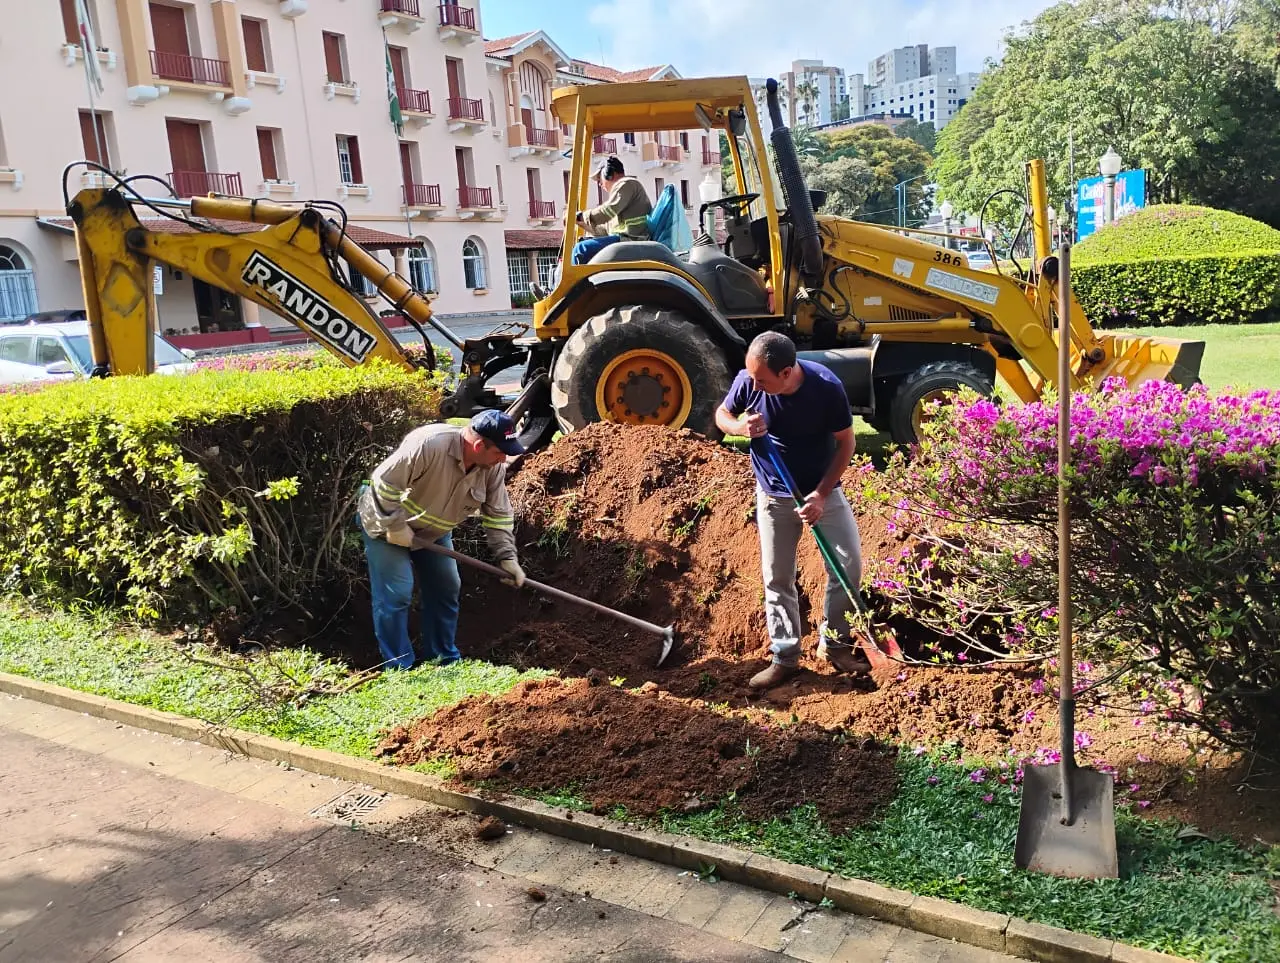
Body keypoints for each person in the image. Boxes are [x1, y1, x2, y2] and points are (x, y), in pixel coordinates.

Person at [715, 331, 871, 690]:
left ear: (786, 372)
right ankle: (785, 657)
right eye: (750, 376)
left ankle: (834, 645)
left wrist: (819, 495)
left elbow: (847, 443)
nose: (752, 384)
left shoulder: (825, 388)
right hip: (773, 494)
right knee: (778, 576)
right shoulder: (750, 382)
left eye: (762, 379)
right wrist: (739, 427)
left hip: (822, 491)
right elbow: (723, 414)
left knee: (848, 566)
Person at [355, 410, 527, 670]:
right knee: (398, 592)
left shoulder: (491, 468)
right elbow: (384, 484)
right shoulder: (429, 445)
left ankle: (443, 657)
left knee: (447, 586)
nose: (504, 458)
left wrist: (507, 558)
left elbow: (498, 516)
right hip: (385, 523)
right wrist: (395, 525)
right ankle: (399, 666)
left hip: (433, 532)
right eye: (500, 451)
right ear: (479, 446)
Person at [572, 155, 652, 264]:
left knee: (581, 250)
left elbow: (606, 212)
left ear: (609, 174)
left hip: (632, 242)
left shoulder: (627, 183)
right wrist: (581, 223)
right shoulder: (622, 199)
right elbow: (604, 231)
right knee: (584, 243)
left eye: (600, 179)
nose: (600, 184)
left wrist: (581, 216)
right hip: (625, 241)